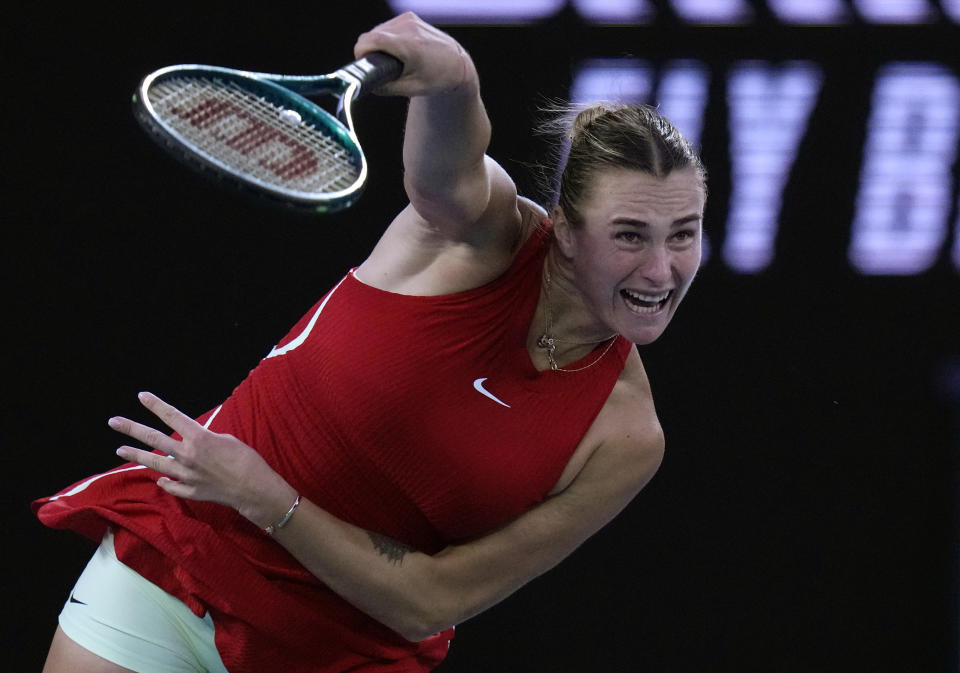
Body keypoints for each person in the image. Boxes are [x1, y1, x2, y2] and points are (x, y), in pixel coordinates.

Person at [35, 11, 707, 673]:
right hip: (186, 560)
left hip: (345, 657)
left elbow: (433, 600)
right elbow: (443, 176)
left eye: (684, 233)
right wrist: (455, 85)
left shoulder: (626, 435)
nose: (661, 269)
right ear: (562, 227)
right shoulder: (478, 235)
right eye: (629, 235)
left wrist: (270, 499)